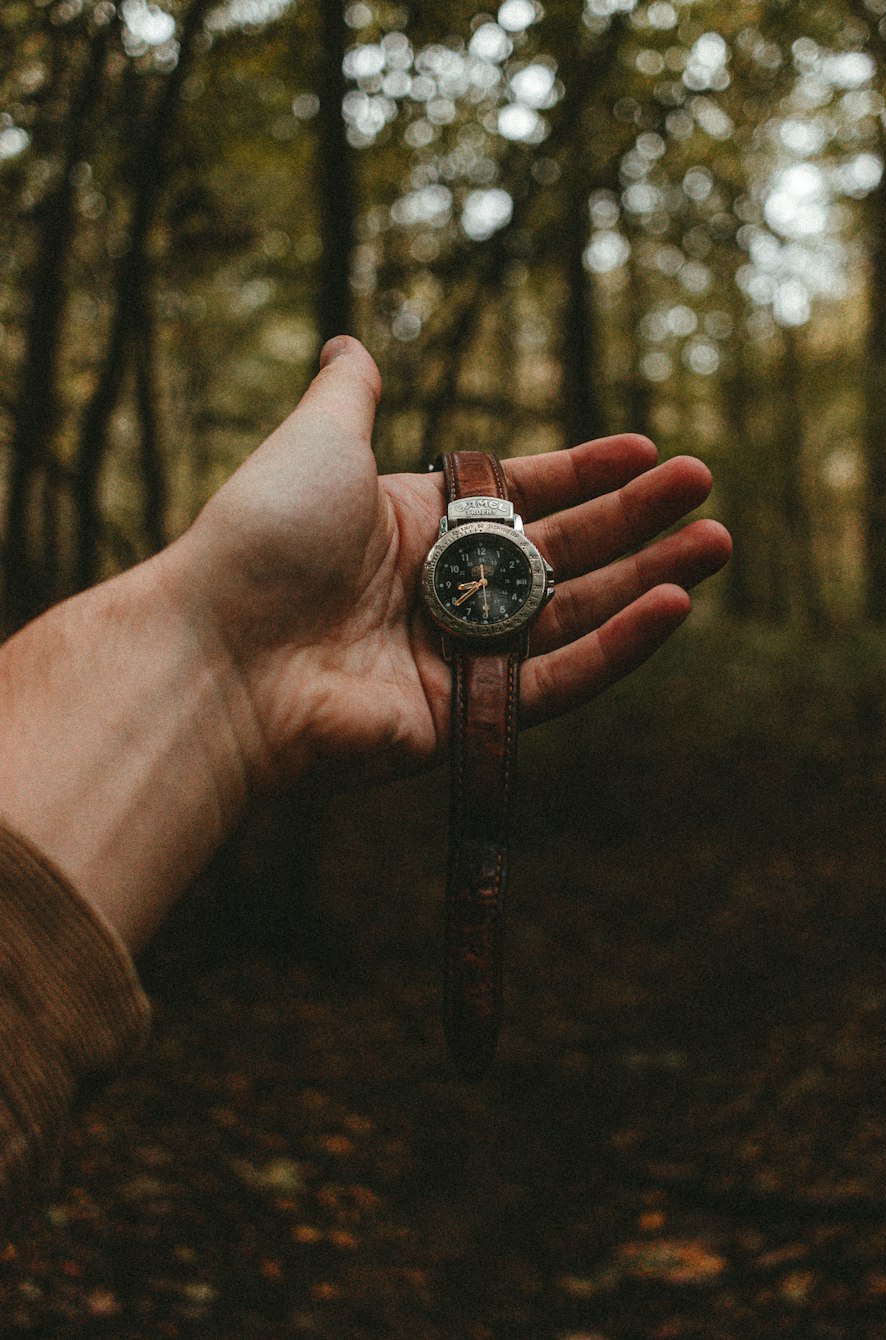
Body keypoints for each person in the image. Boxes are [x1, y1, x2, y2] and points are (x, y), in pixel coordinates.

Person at [0, 334, 732, 1214]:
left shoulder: (468, 582)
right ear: (437, 582)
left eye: (503, 582)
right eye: (466, 583)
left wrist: (210, 656)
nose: (488, 583)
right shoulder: (463, 577)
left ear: (530, 581)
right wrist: (218, 643)